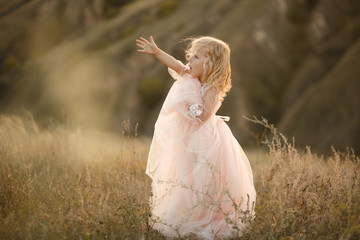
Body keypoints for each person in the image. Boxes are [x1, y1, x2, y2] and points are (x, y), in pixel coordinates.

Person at [136, 36, 256, 239]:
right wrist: (157, 52)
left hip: (207, 142)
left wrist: (188, 100)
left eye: (195, 58)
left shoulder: (211, 86)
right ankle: (188, 216)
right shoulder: (190, 77)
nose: (189, 62)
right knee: (186, 179)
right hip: (186, 141)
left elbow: (204, 115)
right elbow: (177, 65)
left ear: (210, 63)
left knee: (204, 180)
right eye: (190, 57)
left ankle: (208, 219)